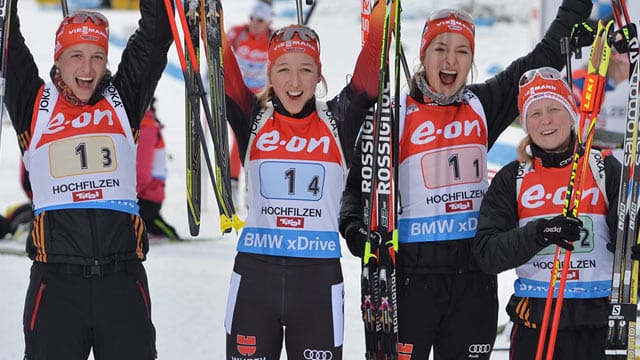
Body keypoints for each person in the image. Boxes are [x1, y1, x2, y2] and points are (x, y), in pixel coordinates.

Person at [339, 1, 594, 359]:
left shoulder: (482, 104)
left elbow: (543, 56)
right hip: (411, 280)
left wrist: (576, 8)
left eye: (462, 51)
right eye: (440, 49)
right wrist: (353, 228)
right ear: (423, 55)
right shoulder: (392, 115)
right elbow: (356, 187)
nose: (450, 61)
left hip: (473, 279)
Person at [220, 1, 393, 358]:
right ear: (270, 75)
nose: (294, 82)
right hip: (255, 276)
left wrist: (380, 12)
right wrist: (209, 16)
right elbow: (216, 56)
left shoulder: (339, 120)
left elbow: (373, 60)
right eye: (283, 70)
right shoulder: (253, 120)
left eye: (305, 70)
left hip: (317, 281)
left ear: (319, 74)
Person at [6, 0, 173, 356]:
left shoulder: (123, 98)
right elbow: (5, 37)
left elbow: (156, 34)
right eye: (76, 55)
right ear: (59, 59)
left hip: (122, 282)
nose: (87, 67)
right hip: (56, 286)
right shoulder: (33, 104)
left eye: (97, 56)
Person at [472, 67, 621, 359]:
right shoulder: (513, 177)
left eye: (554, 108)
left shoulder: (603, 167)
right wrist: (541, 233)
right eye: (535, 113)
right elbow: (487, 253)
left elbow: (626, 234)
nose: (546, 121)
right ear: (526, 123)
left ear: (571, 113)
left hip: (599, 323)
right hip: (537, 322)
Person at [225, 0, 275, 190]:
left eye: (260, 20)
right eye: (252, 18)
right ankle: (233, 181)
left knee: (260, 138)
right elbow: (218, 56)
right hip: (237, 94)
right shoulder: (237, 34)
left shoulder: (272, 39)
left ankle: (254, 181)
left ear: (268, 21)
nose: (254, 22)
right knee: (241, 135)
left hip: (261, 97)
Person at [572, 47, 630, 161]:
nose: (634, 72)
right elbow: (581, 135)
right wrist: (624, 142)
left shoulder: (597, 85)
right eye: (633, 66)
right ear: (619, 62)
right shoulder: (589, 84)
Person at [137, 96, 180, 240]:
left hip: (147, 195)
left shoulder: (146, 128)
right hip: (145, 192)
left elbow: (142, 173)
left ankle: (166, 232)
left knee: (146, 220)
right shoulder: (143, 124)